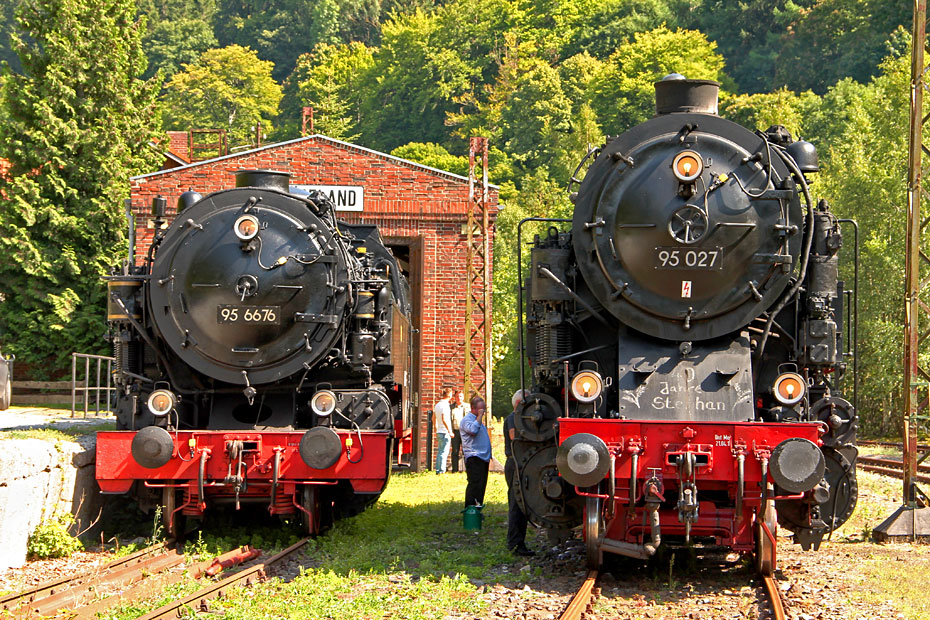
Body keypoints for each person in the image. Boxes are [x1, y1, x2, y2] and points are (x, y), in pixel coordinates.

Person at [505, 389, 534, 556]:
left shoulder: (517, 418)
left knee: (520, 503)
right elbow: (514, 437)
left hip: (519, 463)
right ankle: (515, 543)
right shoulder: (513, 418)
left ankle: (518, 542)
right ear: (519, 403)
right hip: (515, 462)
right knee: (516, 503)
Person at [460, 395, 492, 508]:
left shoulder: (477, 420)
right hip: (474, 457)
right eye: (480, 409)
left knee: (481, 486)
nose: (483, 412)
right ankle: (470, 509)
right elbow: (473, 430)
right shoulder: (467, 420)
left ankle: (478, 507)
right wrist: (479, 417)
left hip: (483, 458)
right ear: (473, 408)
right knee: (475, 485)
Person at [433, 388, 454, 474]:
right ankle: (441, 471)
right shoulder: (445, 405)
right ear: (449, 395)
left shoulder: (437, 405)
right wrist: (450, 431)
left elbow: (433, 418)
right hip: (445, 432)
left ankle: (438, 469)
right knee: (444, 452)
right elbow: (444, 419)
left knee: (440, 451)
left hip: (439, 431)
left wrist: (435, 428)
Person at [449, 390, 468, 473]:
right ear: (454, 397)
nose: (459, 398)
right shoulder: (451, 407)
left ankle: (467, 469)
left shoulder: (468, 407)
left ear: (463, 398)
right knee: (455, 451)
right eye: (457, 396)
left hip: (465, 432)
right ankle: (455, 470)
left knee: (466, 451)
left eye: (460, 396)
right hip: (455, 431)